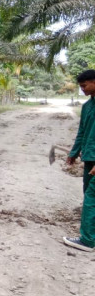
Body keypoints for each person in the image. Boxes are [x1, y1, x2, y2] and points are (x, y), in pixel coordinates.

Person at [63, 69, 95, 252]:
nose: (82, 89)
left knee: (92, 197)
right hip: (89, 157)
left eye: (85, 86)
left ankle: (88, 240)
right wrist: (74, 153)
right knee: (88, 194)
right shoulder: (87, 106)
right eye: (81, 86)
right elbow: (82, 131)